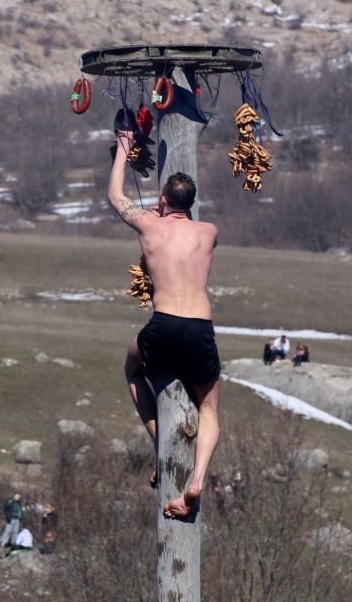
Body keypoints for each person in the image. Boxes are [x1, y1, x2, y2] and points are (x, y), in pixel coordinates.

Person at [110, 127, 221, 520]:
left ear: (161, 200)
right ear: (191, 204)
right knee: (209, 411)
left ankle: (158, 439)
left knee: (131, 369)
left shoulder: (149, 226)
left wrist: (124, 150)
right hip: (199, 327)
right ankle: (197, 481)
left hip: (162, 324)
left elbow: (116, 197)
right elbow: (188, 229)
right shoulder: (208, 232)